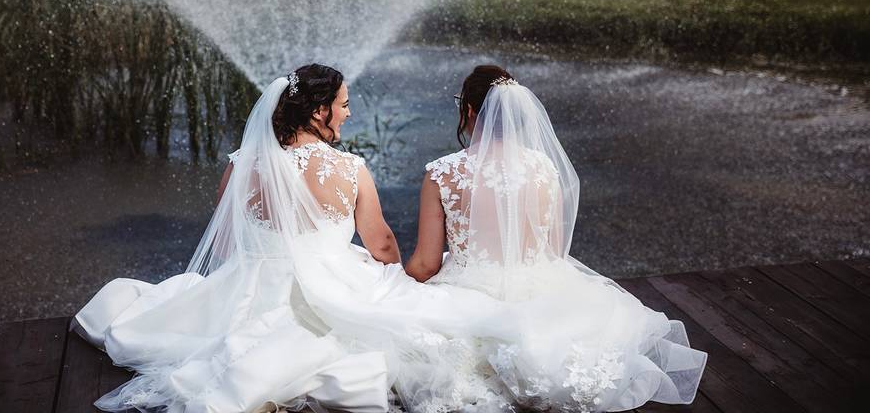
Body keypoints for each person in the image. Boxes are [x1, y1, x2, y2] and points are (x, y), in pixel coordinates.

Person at [72, 63, 503, 413]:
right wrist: (394, 282)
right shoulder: (349, 169)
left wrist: (228, 284)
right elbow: (382, 244)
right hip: (332, 283)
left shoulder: (243, 162)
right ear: (320, 112)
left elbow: (224, 239)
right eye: (344, 105)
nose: (348, 114)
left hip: (249, 285)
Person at [404, 65, 707, 412]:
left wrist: (398, 282)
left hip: (467, 290)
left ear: (470, 110)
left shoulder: (442, 173)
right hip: (542, 288)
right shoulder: (544, 167)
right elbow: (554, 251)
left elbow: (426, 264)